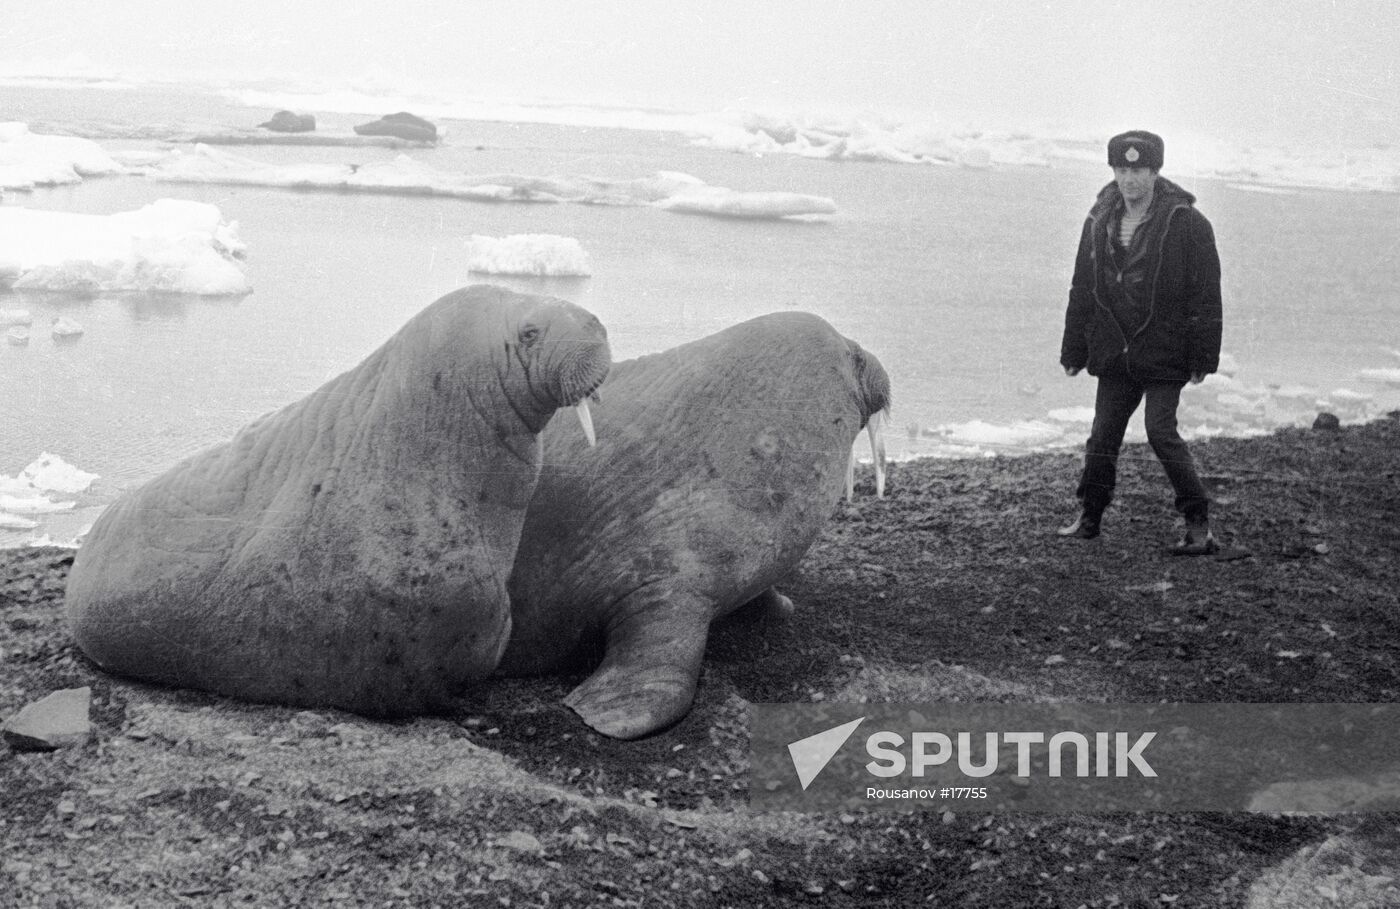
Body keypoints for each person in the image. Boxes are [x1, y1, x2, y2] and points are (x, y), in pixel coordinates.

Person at [1057, 130, 1223, 554]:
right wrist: (1074, 348)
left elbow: (1206, 292)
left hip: (1165, 348)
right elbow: (1082, 286)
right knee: (1102, 435)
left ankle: (1198, 523)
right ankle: (1090, 517)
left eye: (1139, 170)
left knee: (1160, 431)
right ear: (1114, 170)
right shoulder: (1098, 219)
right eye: (1123, 169)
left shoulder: (1186, 222)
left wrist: (1204, 355)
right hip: (1116, 349)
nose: (1130, 178)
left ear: (1155, 172)